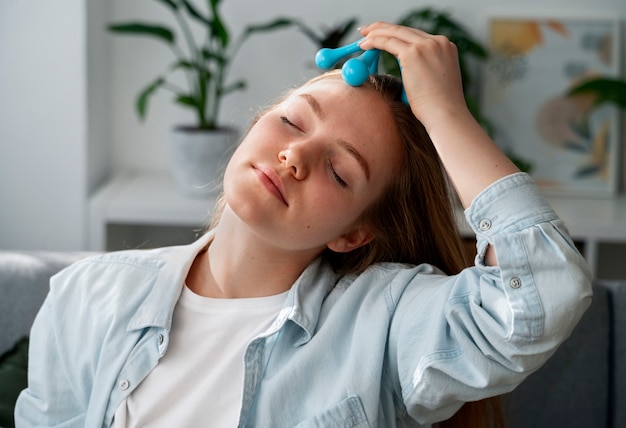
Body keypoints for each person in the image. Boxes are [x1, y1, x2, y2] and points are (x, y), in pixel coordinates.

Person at [15, 22, 592, 427]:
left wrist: (444, 113)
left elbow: (542, 294)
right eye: (292, 120)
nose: (295, 156)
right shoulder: (86, 296)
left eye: (340, 172)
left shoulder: (385, 324)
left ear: (353, 233)